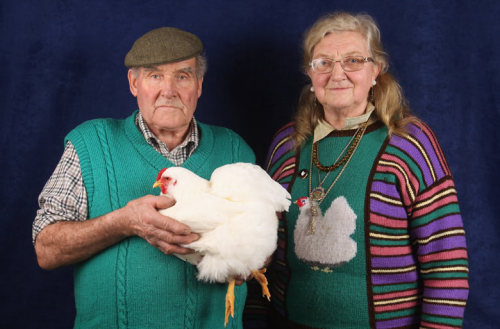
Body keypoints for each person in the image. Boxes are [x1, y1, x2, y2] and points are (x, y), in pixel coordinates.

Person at [247, 12, 469, 329]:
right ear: (310, 74)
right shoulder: (287, 145)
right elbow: (262, 249)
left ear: (375, 71)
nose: (337, 74)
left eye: (353, 60)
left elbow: (447, 260)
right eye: (323, 62)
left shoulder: (409, 143)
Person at [33, 27, 255, 329]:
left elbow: (265, 245)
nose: (169, 90)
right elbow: (46, 249)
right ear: (133, 83)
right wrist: (124, 222)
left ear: (199, 85)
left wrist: (249, 262)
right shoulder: (91, 143)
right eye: (154, 76)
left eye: (182, 76)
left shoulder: (234, 149)